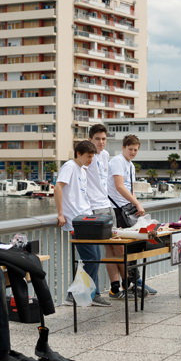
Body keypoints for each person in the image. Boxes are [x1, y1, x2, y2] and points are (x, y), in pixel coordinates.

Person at [56, 140, 110, 307]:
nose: (90, 160)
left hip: (87, 218)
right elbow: (58, 188)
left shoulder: (82, 169)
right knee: (90, 257)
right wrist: (60, 214)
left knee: (96, 257)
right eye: (88, 156)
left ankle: (91, 294)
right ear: (78, 153)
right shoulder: (69, 166)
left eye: (92, 157)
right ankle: (74, 295)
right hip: (77, 221)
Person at [108, 134, 156, 296]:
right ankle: (129, 282)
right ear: (123, 148)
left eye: (136, 150)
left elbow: (131, 188)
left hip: (127, 207)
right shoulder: (117, 161)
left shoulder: (130, 165)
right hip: (116, 208)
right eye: (130, 149)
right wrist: (137, 203)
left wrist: (135, 204)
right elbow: (119, 186)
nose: (133, 152)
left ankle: (134, 280)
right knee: (122, 247)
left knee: (134, 244)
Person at [85, 124, 123, 296]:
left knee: (116, 246)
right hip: (94, 207)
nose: (101, 142)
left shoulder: (106, 155)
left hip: (107, 205)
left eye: (103, 139)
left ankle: (120, 285)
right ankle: (94, 292)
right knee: (95, 254)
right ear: (90, 139)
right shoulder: (87, 157)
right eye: (97, 139)